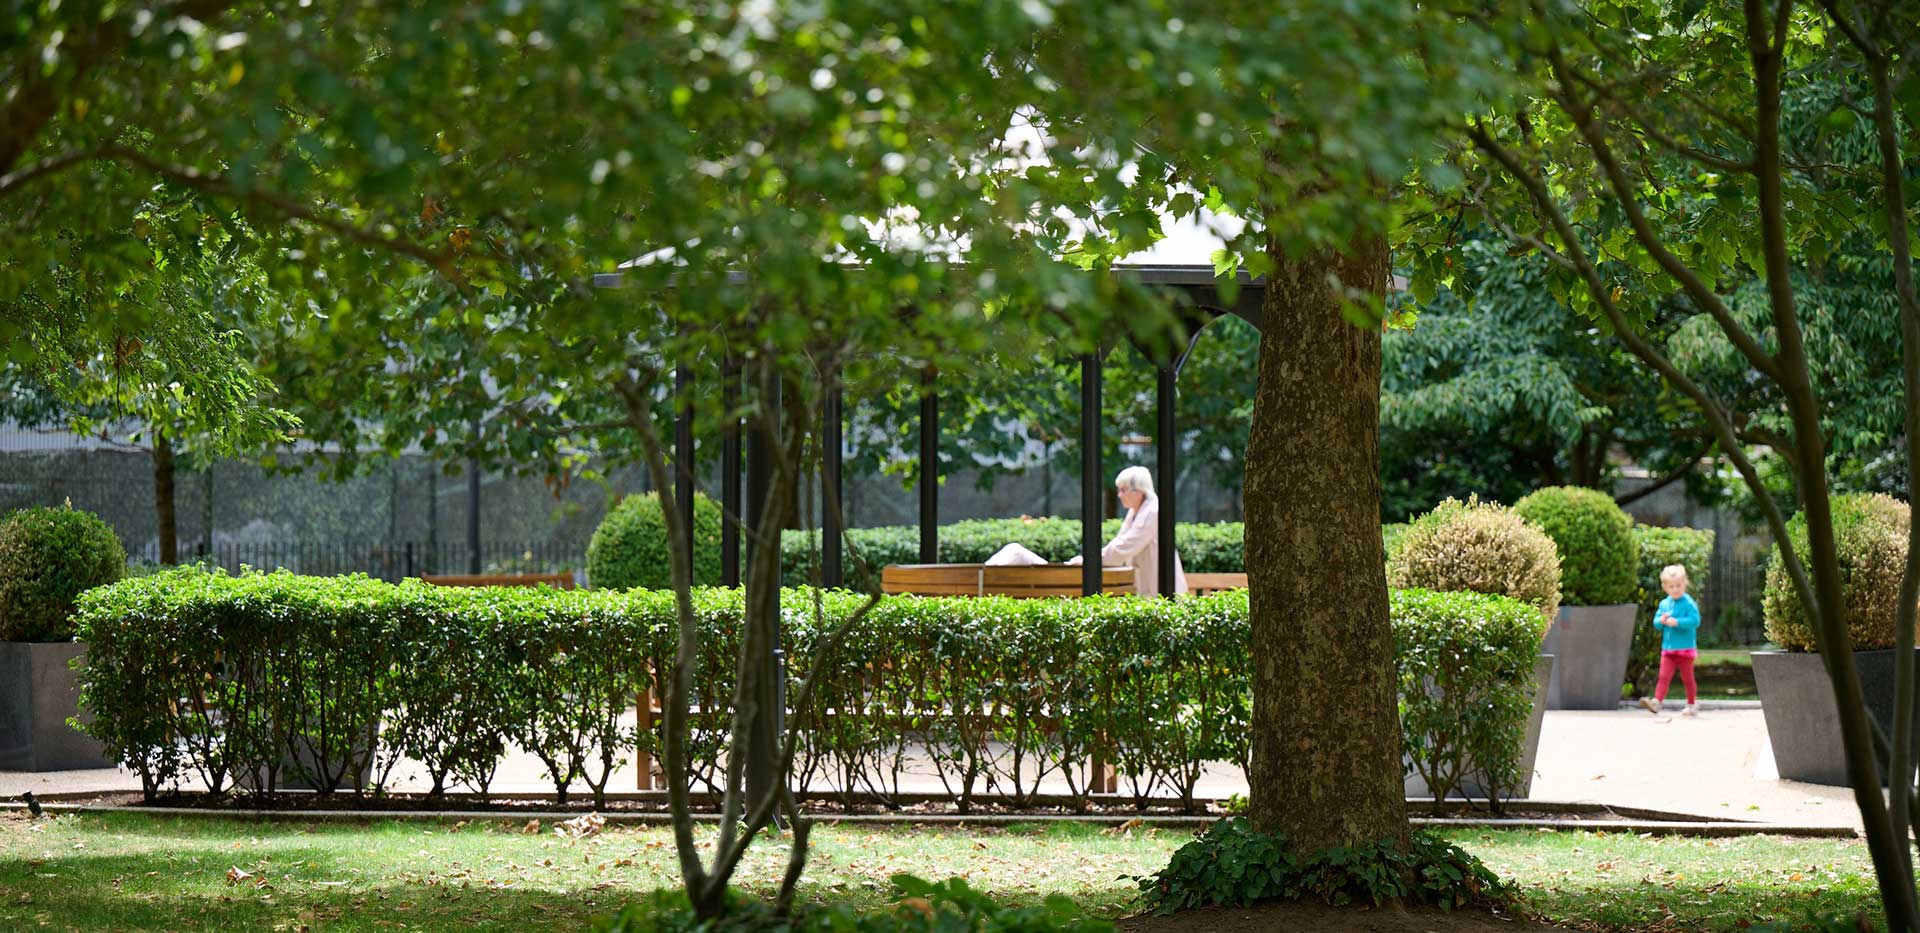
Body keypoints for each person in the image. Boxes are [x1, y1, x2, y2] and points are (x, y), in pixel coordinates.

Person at [1066, 466, 1188, 596]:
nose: (1119, 495)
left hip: (1164, 591)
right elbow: (1120, 542)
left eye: (1123, 490)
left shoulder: (1152, 512)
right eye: (1118, 490)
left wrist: (1090, 560)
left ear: (1139, 491)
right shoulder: (1135, 511)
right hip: (1151, 589)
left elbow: (1124, 547)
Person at [1640, 564, 1702, 717]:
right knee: (1663, 677)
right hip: (1668, 650)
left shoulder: (1688, 603)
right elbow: (1656, 623)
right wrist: (1661, 620)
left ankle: (1692, 704)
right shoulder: (1664, 604)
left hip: (1685, 649)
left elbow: (1695, 621)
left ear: (1684, 584)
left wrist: (1678, 622)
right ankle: (1657, 702)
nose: (1675, 589)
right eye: (1671, 586)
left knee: (1687, 678)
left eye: (1678, 586)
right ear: (1665, 587)